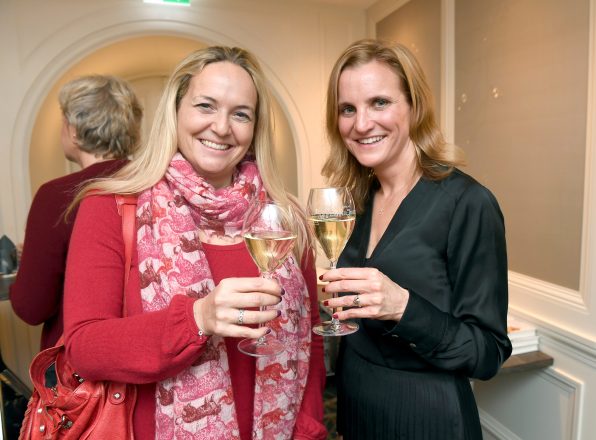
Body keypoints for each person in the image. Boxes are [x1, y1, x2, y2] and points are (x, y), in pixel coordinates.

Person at [62, 46, 327, 439]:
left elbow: (311, 341)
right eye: (205, 106)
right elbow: (84, 348)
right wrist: (198, 318)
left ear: (255, 127)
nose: (221, 127)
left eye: (241, 114)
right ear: (175, 111)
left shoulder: (284, 217)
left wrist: (308, 429)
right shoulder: (110, 206)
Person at [320, 39, 512, 439]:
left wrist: (402, 307)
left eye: (379, 103)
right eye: (347, 109)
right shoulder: (355, 201)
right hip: (356, 409)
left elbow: (488, 353)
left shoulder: (467, 202)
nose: (361, 124)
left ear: (414, 106)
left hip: (426, 417)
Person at [10, 75, 143, 350]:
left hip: (83, 358)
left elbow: (31, 307)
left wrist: (30, 264)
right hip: (146, 343)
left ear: (73, 130)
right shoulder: (154, 182)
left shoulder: (56, 195)